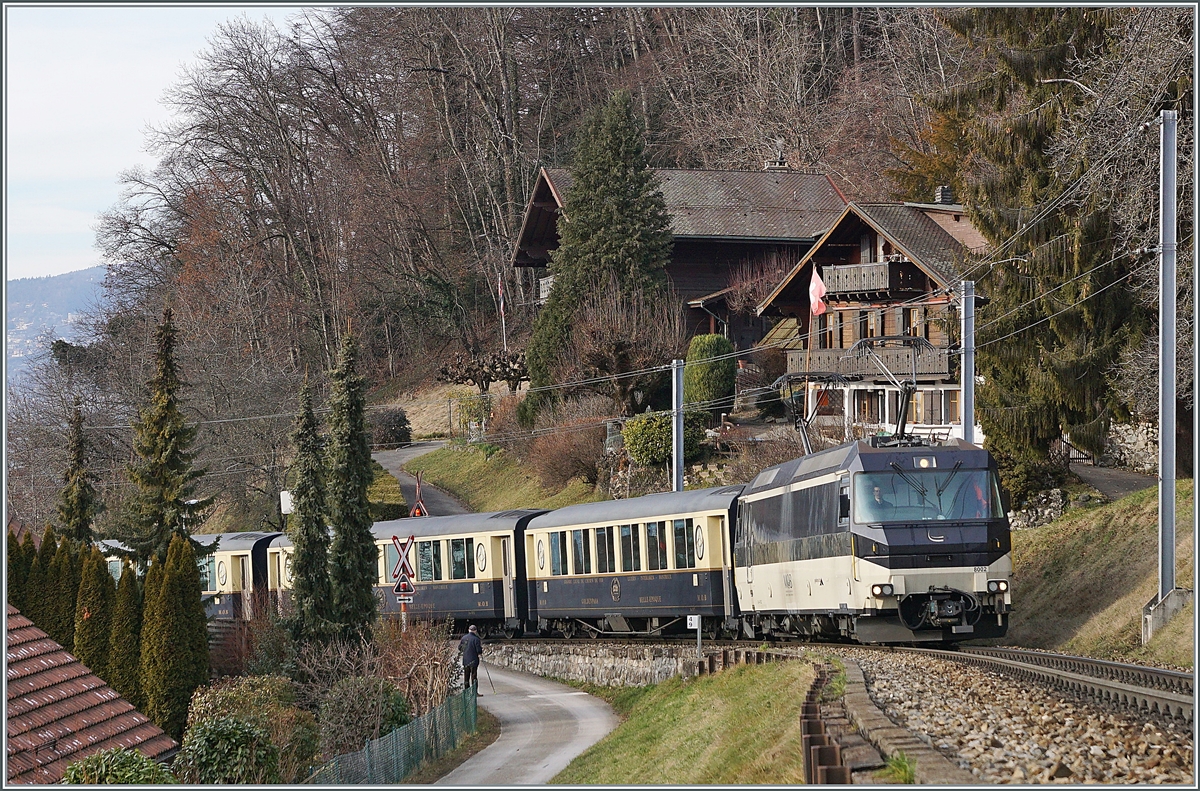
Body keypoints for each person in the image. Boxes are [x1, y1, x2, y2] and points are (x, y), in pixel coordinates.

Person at [459, 624, 483, 695]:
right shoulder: (476, 639)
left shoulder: (463, 638)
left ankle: (466, 692)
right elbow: (478, 650)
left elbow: (460, 648)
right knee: (474, 676)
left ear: (469, 630)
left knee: (466, 676)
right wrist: (480, 652)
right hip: (474, 661)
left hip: (466, 660)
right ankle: (474, 692)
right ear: (475, 631)